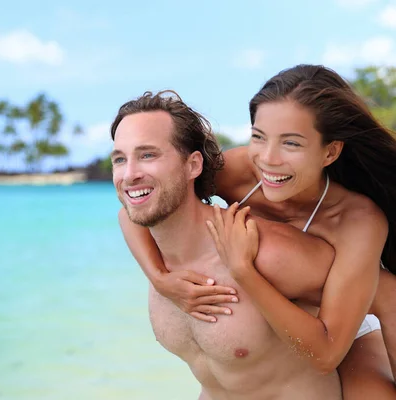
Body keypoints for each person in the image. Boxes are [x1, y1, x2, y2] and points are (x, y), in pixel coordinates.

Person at [119, 64, 396, 398]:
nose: (268, 159)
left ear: (330, 151)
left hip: (348, 322)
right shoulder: (238, 171)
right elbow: (144, 205)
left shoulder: (356, 219)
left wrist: (243, 271)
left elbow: (381, 300)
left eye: (291, 143)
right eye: (259, 137)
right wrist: (162, 279)